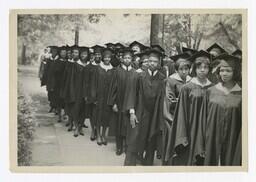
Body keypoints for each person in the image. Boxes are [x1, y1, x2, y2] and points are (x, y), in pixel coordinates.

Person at [169, 50, 214, 166]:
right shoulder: (187, 88)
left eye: (205, 67)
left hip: (207, 130)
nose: (202, 70)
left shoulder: (213, 88)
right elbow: (181, 114)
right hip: (190, 129)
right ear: (194, 68)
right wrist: (182, 136)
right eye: (199, 67)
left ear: (209, 69)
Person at [198, 54, 242, 166]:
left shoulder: (242, 94)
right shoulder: (211, 91)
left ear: (235, 72)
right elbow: (203, 119)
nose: (224, 74)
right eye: (222, 70)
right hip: (211, 141)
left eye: (228, 70)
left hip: (233, 142)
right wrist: (201, 144)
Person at [125, 48, 166, 166]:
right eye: (150, 61)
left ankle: (147, 165)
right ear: (147, 62)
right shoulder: (139, 76)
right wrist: (132, 113)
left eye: (155, 61)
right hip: (140, 112)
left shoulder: (163, 79)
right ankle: (128, 166)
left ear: (159, 63)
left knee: (151, 140)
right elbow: (132, 94)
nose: (152, 63)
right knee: (134, 139)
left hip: (155, 115)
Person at [107, 47, 138, 156]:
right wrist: (113, 103)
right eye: (125, 58)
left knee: (128, 126)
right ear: (122, 59)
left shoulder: (135, 73)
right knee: (118, 125)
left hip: (130, 105)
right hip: (119, 103)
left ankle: (126, 146)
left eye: (129, 58)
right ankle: (119, 147)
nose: (127, 60)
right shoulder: (117, 71)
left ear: (132, 59)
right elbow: (113, 88)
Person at [162, 52, 192, 164]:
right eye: (181, 69)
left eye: (186, 69)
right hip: (174, 116)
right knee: (174, 142)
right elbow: (169, 100)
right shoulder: (170, 81)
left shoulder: (192, 80)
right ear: (176, 70)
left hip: (188, 118)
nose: (184, 72)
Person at [94, 48, 114, 145]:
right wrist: (94, 97)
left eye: (108, 58)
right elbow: (93, 83)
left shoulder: (113, 69)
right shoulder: (98, 68)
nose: (107, 59)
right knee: (98, 116)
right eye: (105, 57)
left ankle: (103, 135)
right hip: (99, 96)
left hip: (108, 97)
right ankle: (98, 134)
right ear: (102, 58)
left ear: (110, 58)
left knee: (106, 116)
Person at [83, 45, 103, 140]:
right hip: (91, 94)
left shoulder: (105, 66)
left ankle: (98, 132)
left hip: (102, 95)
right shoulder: (89, 67)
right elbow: (86, 82)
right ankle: (92, 130)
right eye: (96, 54)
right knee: (92, 113)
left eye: (99, 54)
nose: (98, 56)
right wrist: (86, 95)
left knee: (99, 114)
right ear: (94, 55)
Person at [71, 46, 90, 137]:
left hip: (86, 91)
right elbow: (72, 79)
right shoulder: (75, 65)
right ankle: (76, 127)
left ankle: (81, 126)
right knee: (76, 109)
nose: (83, 56)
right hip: (77, 90)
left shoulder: (89, 65)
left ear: (87, 55)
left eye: (85, 54)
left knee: (84, 109)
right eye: (82, 54)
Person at [54, 46, 67, 122]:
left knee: (65, 100)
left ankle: (65, 114)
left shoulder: (68, 61)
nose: (63, 54)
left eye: (65, 52)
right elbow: (54, 72)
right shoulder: (57, 61)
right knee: (59, 100)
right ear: (60, 53)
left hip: (66, 84)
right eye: (62, 52)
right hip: (58, 83)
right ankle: (59, 115)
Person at [45, 46, 59, 113]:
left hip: (56, 80)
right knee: (50, 94)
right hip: (50, 79)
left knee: (55, 94)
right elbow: (46, 70)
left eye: (55, 52)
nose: (54, 53)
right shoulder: (49, 60)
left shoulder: (58, 60)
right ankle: (51, 106)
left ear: (57, 53)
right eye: (53, 51)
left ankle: (55, 107)